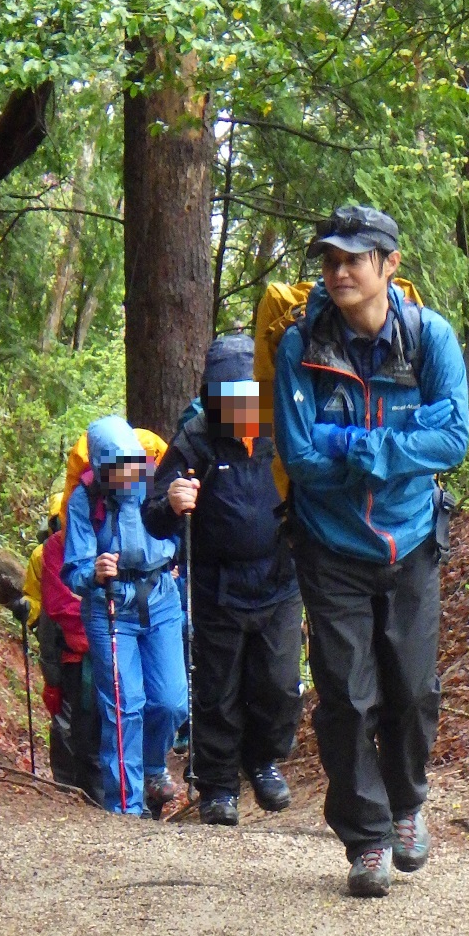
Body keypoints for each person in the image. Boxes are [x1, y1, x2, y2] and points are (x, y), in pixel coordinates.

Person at [273, 205, 469, 897]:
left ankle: (408, 804)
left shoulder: (430, 340)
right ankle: (366, 838)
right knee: (346, 699)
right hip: (330, 547)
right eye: (331, 259)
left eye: (355, 258)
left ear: (389, 264)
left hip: (411, 541)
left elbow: (454, 442)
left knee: (412, 689)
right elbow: (299, 457)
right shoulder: (302, 347)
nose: (340, 270)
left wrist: (357, 447)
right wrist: (398, 451)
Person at [144, 335, 303, 827]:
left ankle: (263, 761)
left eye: (243, 393)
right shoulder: (195, 439)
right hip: (218, 587)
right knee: (218, 689)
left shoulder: (282, 430)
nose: (234, 405)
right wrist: (172, 501)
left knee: (278, 685)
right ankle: (217, 785)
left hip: (279, 582)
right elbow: (154, 516)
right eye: (223, 395)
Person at [61, 417, 187, 817]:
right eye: (117, 468)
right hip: (109, 605)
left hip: (161, 597)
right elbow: (73, 569)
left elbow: (180, 532)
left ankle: (152, 768)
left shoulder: (157, 481)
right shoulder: (85, 499)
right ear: (101, 467)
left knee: (170, 701)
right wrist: (94, 571)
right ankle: (127, 808)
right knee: (123, 704)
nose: (127, 475)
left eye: (131, 464)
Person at [33, 494, 103, 804]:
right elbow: (48, 608)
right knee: (71, 724)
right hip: (67, 648)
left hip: (82, 646)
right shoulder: (48, 553)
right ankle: (70, 787)